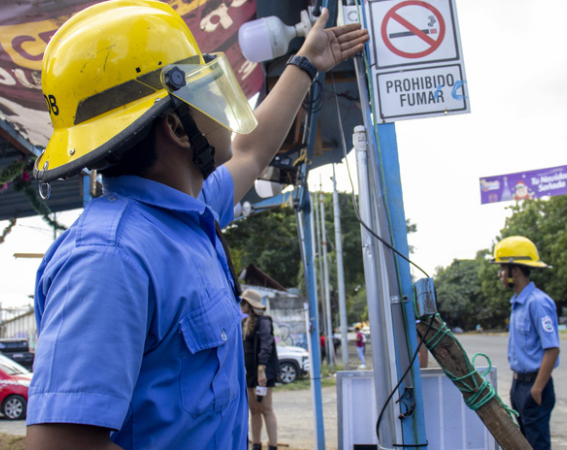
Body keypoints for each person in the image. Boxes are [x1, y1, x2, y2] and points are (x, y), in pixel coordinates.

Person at [24, 2, 369, 449]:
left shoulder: (186, 213)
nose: (223, 105)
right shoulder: (109, 258)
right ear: (177, 127)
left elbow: (252, 153)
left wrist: (305, 63)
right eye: (203, 91)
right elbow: (60, 445)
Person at [491, 236, 560, 450]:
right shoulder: (518, 303)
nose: (500, 275)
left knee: (537, 445)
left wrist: (537, 389)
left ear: (516, 271)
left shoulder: (538, 303)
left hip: (535, 385)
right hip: (519, 385)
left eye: (503, 269)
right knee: (523, 444)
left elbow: (552, 349)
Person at [240, 290, 280, 450]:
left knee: (266, 408)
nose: (241, 305)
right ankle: (256, 444)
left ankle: (273, 445)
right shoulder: (244, 323)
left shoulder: (264, 322)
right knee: (254, 409)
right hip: (250, 372)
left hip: (262, 372)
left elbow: (266, 345)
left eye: (243, 302)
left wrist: (261, 370)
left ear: (250, 305)